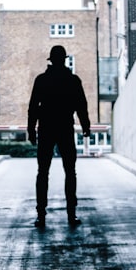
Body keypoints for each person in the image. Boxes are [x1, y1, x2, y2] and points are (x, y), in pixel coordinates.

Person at [27, 45, 91, 227]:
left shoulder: (41, 80)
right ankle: (71, 214)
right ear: (64, 59)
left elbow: (33, 107)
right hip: (65, 128)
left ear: (51, 60)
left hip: (46, 128)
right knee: (70, 171)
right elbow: (81, 105)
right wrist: (85, 125)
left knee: (43, 172)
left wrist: (31, 129)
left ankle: (41, 215)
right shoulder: (72, 80)